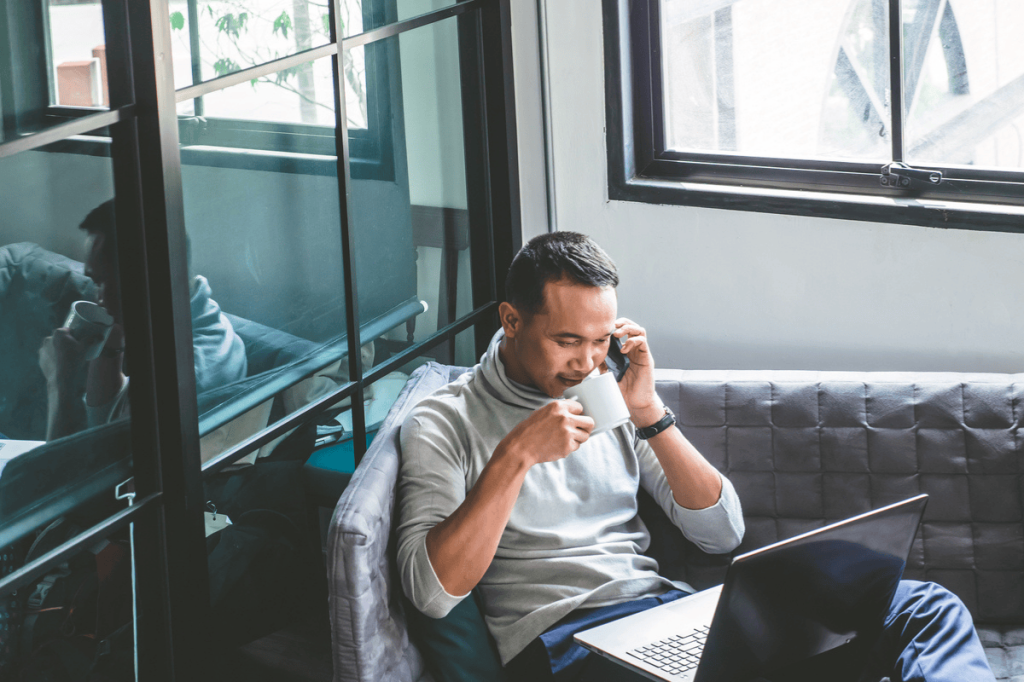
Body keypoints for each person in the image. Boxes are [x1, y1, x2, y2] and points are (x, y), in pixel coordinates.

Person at [396, 232, 995, 682]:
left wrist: (649, 413)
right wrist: (516, 457)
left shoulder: (607, 395)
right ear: (511, 320)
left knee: (923, 606)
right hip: (567, 647)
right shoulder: (443, 422)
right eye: (567, 341)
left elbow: (720, 533)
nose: (586, 363)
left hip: (663, 614)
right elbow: (432, 592)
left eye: (601, 341)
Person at [38, 199, 247, 439]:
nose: (100, 301)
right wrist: (111, 342)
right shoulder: (205, 323)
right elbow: (104, 421)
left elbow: (76, 473)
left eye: (103, 283)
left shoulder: (177, 380)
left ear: (147, 282)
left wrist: (59, 385)